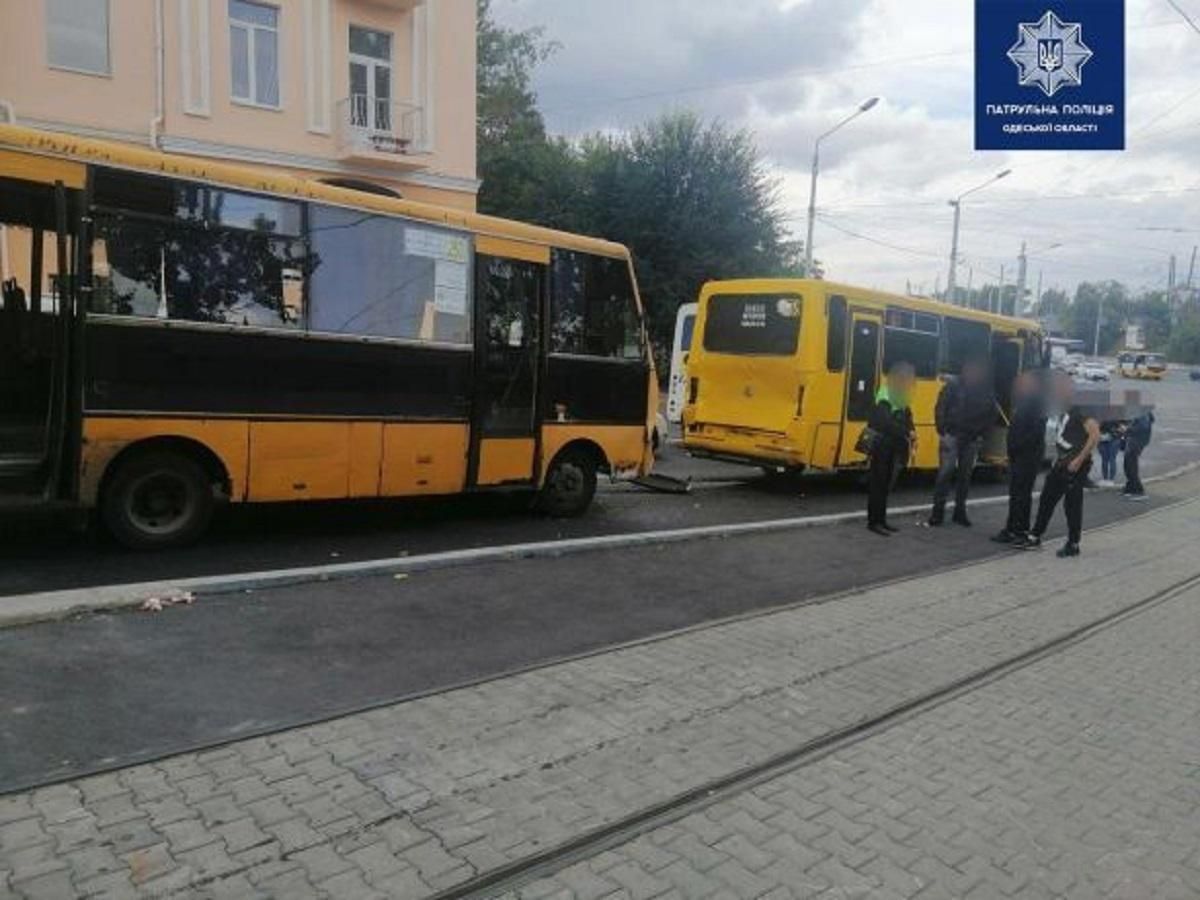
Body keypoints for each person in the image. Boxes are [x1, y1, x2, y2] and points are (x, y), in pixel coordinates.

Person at [1015, 372, 1101, 557]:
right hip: (1062, 462)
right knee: (1047, 499)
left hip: (1075, 466)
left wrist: (1078, 461)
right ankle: (1035, 536)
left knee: (1072, 504)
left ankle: (1073, 543)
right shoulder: (1065, 406)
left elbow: (1094, 435)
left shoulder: (1081, 407)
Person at [928, 357, 996, 527]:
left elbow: (991, 414)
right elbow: (940, 406)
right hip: (952, 435)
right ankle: (937, 513)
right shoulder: (953, 385)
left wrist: (982, 434)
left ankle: (960, 513)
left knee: (965, 478)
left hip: (972, 439)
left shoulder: (985, 390)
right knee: (945, 474)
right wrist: (942, 430)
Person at [991, 370, 1046, 544]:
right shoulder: (1025, 401)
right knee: (1015, 493)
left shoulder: (1037, 402)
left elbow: (1036, 432)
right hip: (1018, 455)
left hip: (1027, 456)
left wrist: (1017, 447)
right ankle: (1011, 528)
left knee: (1022, 494)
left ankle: (1021, 530)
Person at [866, 362, 916, 537]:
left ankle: (882, 520)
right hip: (882, 446)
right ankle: (874, 522)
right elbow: (884, 422)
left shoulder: (900, 395)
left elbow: (908, 416)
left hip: (894, 446)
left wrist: (912, 430)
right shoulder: (885, 394)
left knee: (886, 484)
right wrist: (906, 431)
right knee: (878, 485)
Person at [1122, 410, 1155, 500]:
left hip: (1137, 441)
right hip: (1135, 440)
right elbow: (1151, 420)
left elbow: (1143, 426)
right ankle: (1131, 487)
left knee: (1131, 466)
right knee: (1128, 464)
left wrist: (1127, 429)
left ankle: (1138, 491)